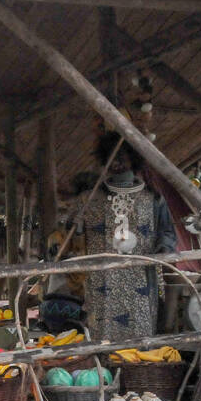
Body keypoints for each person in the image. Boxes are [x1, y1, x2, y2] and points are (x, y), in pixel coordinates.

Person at [76, 132, 177, 342]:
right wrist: (74, 225)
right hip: (102, 279)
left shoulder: (153, 198)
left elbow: (167, 232)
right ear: (104, 159)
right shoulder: (89, 198)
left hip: (140, 276)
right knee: (102, 335)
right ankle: (103, 370)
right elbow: (71, 234)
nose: (117, 161)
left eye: (122, 155)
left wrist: (163, 249)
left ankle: (137, 370)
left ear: (134, 158)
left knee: (140, 333)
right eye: (111, 156)